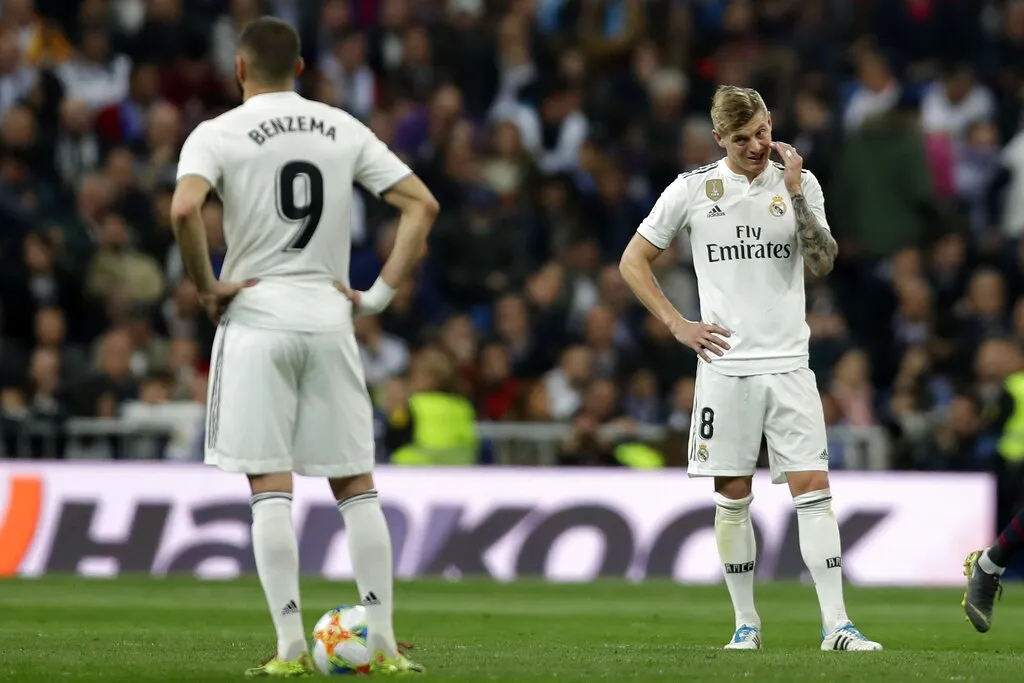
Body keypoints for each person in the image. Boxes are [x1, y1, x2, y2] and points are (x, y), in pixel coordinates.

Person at [170, 17, 438, 677]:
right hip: (328, 315)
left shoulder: (216, 133)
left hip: (257, 314)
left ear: (239, 69)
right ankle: (381, 639)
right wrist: (376, 295)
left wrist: (208, 286)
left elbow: (183, 209)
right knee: (356, 485)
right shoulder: (340, 125)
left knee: (270, 485)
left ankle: (290, 647)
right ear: (298, 69)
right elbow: (421, 205)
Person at [618, 85, 882, 652]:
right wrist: (677, 324)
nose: (759, 145)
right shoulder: (692, 190)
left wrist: (797, 196)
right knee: (732, 494)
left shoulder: (798, 181)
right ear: (720, 140)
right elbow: (632, 260)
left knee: (814, 490)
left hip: (790, 362)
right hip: (726, 367)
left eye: (763, 131)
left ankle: (837, 625)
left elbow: (824, 261)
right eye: (743, 139)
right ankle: (746, 624)